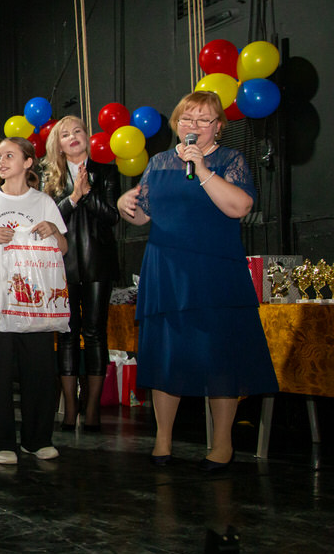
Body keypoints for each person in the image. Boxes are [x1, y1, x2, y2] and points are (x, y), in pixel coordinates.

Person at [117, 90, 277, 469]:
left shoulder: (229, 160)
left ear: (218, 127)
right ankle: (163, 440)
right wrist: (126, 206)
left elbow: (240, 206)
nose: (194, 125)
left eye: (204, 119)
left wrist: (202, 169)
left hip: (213, 271)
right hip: (166, 270)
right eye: (188, 118)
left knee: (219, 355)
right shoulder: (158, 162)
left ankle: (222, 444)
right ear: (177, 123)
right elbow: (144, 215)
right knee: (167, 355)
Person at [0, 137, 68, 465]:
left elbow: (63, 248)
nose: (1, 161)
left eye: (10, 156)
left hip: (35, 302)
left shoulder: (43, 202)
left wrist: (54, 231)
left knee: (39, 372)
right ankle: (1, 441)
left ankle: (38, 439)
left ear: (28, 162)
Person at [42, 116, 120, 432]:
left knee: (95, 333)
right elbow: (50, 220)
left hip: (99, 262)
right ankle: (70, 408)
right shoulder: (51, 177)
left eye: (78, 131)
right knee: (67, 334)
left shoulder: (107, 171)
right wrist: (74, 196)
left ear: (87, 137)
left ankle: (92, 409)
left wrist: (88, 193)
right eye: (65, 134)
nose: (73, 137)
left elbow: (112, 216)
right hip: (63, 263)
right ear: (58, 144)